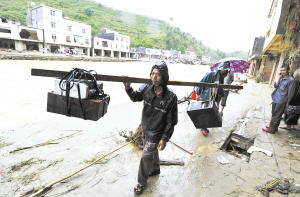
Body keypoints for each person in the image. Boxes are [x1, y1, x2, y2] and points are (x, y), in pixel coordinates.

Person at [123, 61, 178, 195]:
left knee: (145, 156)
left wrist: (165, 139)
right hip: (146, 126)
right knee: (151, 152)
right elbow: (135, 97)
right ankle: (155, 169)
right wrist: (128, 87)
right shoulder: (147, 87)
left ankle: (141, 183)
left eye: (158, 75)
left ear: (164, 77)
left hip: (157, 131)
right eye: (152, 74)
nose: (154, 77)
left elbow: (172, 121)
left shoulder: (171, 97)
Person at [196, 61, 231, 136]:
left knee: (209, 112)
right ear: (221, 68)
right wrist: (198, 93)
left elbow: (220, 87)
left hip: (214, 96)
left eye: (226, 71)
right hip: (206, 95)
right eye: (224, 70)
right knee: (205, 111)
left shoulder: (221, 77)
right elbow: (201, 83)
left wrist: (222, 96)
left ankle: (203, 126)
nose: (224, 72)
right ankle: (203, 128)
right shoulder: (210, 74)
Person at [262, 65, 295, 134]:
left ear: (288, 70)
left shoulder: (291, 80)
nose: (282, 72)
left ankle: (271, 129)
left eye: (284, 70)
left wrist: (288, 102)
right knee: (274, 113)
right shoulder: (281, 78)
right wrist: (279, 77)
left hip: (282, 100)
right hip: (275, 98)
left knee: (277, 114)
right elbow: (275, 86)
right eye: (281, 70)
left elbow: (291, 92)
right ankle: (274, 127)